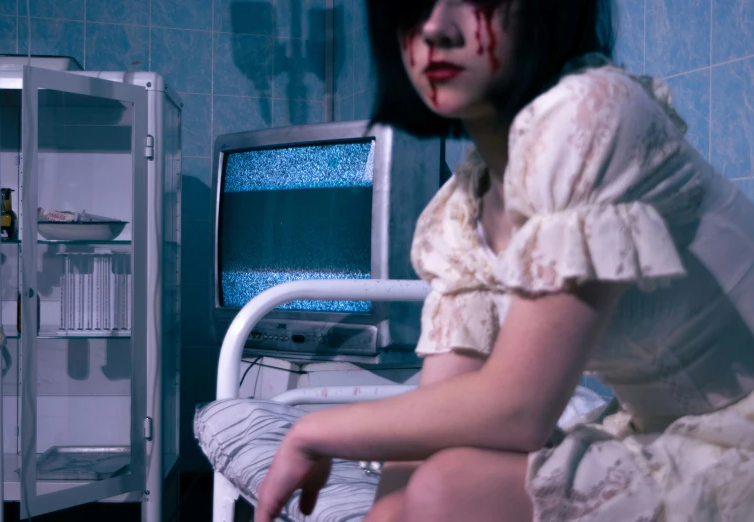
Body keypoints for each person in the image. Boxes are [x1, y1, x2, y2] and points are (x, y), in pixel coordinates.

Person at [254, 0, 754, 520]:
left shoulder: (592, 112)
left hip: (739, 438)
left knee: (447, 488)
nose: (435, 28)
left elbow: (519, 411)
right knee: (421, 489)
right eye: (415, 6)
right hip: (662, 435)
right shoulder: (462, 210)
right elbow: (436, 419)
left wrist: (312, 431)